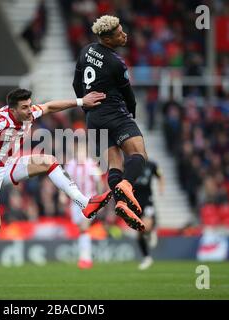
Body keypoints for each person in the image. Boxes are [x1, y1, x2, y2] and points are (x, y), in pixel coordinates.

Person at [0, 88, 112, 300]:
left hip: (5, 164)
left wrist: (82, 101)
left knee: (48, 161)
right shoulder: (1, 120)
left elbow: (50, 106)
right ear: (13, 110)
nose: (30, 111)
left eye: (29, 105)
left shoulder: (29, 113)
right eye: (24, 107)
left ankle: (85, 203)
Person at [73, 15, 148, 231]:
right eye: (119, 34)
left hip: (94, 119)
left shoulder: (85, 51)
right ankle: (127, 187)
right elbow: (128, 94)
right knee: (139, 155)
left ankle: (122, 203)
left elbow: (76, 83)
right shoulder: (116, 62)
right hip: (115, 114)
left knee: (115, 164)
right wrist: (131, 112)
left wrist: (85, 106)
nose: (125, 35)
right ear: (107, 39)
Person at [65, 140, 105, 269]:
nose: (80, 153)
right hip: (75, 202)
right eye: (78, 150)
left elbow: (100, 183)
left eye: (82, 150)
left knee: (84, 227)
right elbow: (65, 183)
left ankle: (85, 258)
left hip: (89, 200)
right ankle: (85, 255)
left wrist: (99, 201)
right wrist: (62, 196)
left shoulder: (92, 165)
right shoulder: (70, 165)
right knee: (81, 229)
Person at [133, 159, 164, 270]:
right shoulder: (131, 164)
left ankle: (152, 229)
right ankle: (147, 257)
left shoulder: (152, 165)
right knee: (139, 234)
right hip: (135, 202)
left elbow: (160, 176)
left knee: (146, 226)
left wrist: (161, 187)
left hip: (147, 200)